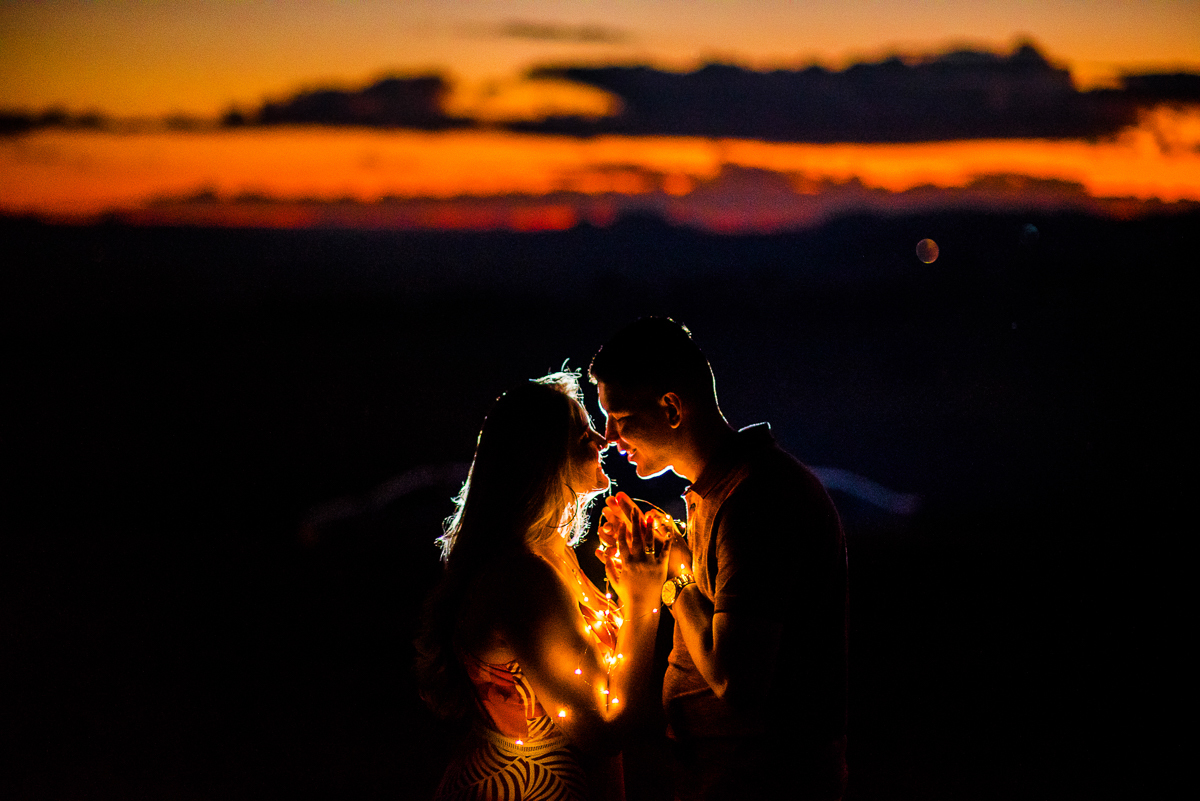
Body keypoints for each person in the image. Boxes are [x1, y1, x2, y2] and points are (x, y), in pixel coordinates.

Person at [589, 318, 849, 801]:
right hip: (719, 770)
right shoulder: (716, 495)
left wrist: (671, 580)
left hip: (762, 778)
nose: (609, 438)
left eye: (619, 417)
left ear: (671, 408)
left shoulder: (758, 499)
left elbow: (736, 680)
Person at [415, 372, 671, 801]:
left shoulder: (552, 548)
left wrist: (628, 576)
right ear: (541, 455)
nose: (601, 439)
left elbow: (596, 669)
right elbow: (603, 730)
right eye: (581, 430)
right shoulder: (522, 575)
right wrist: (643, 597)